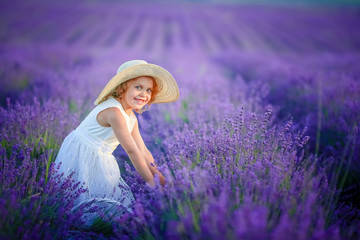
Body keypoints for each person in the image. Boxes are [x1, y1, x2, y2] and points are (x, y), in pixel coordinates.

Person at [54, 59, 180, 227]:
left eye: (148, 90)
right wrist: (150, 182)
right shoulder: (114, 112)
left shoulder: (131, 116)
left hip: (101, 154)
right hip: (82, 151)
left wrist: (158, 174)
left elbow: (142, 149)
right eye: (138, 87)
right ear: (122, 88)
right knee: (81, 193)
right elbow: (132, 151)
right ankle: (76, 226)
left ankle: (99, 224)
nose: (144, 94)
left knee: (103, 194)